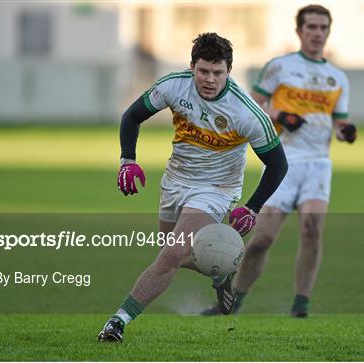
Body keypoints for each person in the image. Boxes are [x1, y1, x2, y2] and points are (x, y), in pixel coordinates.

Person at [98, 32, 288, 342]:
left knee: (172, 254)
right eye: (203, 71)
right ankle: (222, 269)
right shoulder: (174, 85)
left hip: (215, 189)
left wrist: (252, 207)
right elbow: (132, 116)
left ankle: (118, 322)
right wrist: (127, 160)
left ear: (229, 71)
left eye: (218, 72)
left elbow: (278, 164)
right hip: (175, 182)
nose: (210, 79)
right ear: (192, 67)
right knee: (170, 253)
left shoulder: (247, 113)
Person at [201, 5, 356, 318]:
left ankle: (301, 305)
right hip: (283, 160)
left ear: (329, 32)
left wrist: (346, 131)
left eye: (323, 27)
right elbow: (251, 105)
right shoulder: (279, 67)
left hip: (318, 164)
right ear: (299, 31)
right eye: (311, 27)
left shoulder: (337, 77)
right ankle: (234, 300)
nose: (317, 33)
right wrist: (280, 115)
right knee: (263, 239)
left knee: (312, 229)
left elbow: (338, 123)